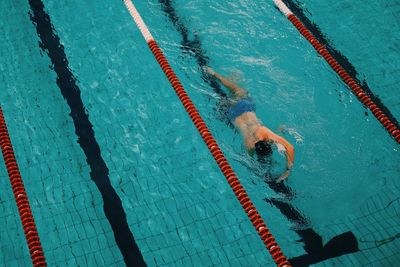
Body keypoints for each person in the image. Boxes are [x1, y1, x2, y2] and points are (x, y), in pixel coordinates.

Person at [205, 67, 295, 181]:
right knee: (221, 98)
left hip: (245, 106)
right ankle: (213, 81)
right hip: (232, 116)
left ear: (267, 141)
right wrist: (285, 171)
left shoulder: (263, 132)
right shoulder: (249, 146)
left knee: (235, 89)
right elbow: (249, 162)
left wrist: (288, 169)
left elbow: (290, 147)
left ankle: (214, 74)